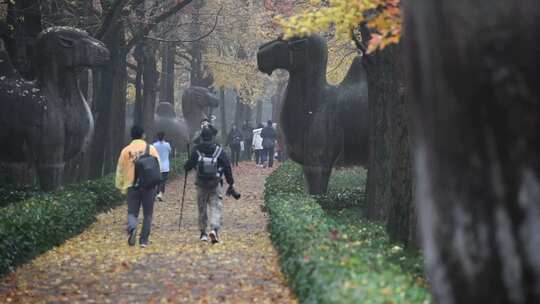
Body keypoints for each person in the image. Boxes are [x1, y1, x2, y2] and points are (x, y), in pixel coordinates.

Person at [184, 127, 235, 244]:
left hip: (201, 184)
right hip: (215, 183)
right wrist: (230, 182)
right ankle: (214, 229)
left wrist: (187, 165)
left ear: (201, 137)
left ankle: (203, 233)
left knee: (202, 209)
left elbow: (188, 166)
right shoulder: (219, 150)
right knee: (215, 207)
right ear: (212, 137)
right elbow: (227, 166)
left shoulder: (196, 150)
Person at [116, 126, 161, 248]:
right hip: (148, 186)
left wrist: (120, 186)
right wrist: (158, 185)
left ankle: (132, 229)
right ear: (143, 135)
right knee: (148, 214)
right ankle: (143, 241)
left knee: (132, 212)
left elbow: (120, 170)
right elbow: (158, 167)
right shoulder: (151, 149)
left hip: (131, 186)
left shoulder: (125, 151)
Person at [152, 131, 172, 201]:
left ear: (157, 137)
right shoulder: (167, 144)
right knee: (163, 181)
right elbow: (170, 152)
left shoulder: (154, 145)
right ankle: (160, 193)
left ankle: (155, 193)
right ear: (164, 137)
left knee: (156, 181)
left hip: (156, 165)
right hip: (165, 166)